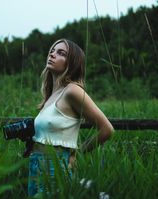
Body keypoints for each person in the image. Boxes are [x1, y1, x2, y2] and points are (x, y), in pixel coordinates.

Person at [27, 38, 114, 197]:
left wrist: (77, 154)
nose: (52, 54)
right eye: (52, 51)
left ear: (72, 63)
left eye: (61, 53)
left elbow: (106, 129)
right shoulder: (51, 95)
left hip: (56, 166)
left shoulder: (72, 91)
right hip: (35, 163)